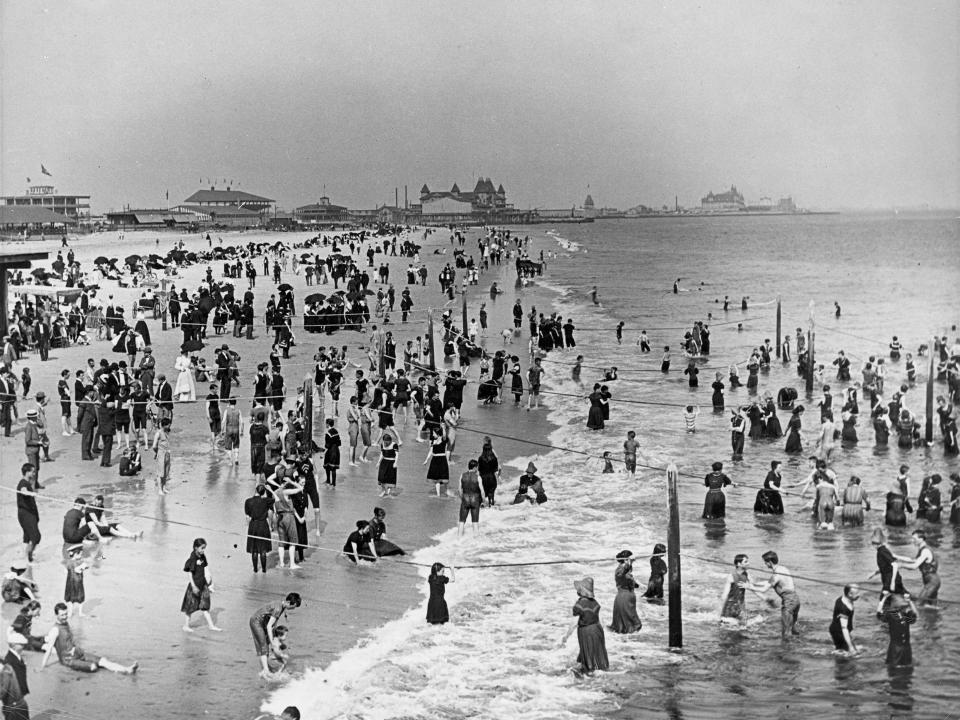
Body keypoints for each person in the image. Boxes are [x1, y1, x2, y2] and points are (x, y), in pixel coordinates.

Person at [41, 603, 137, 674]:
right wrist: (43, 667)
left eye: (66, 614)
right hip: (68, 660)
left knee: (103, 661)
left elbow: (69, 641)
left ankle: (127, 669)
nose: (65, 617)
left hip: (78, 652)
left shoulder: (66, 623)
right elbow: (49, 649)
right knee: (93, 667)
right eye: (62, 615)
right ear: (56, 615)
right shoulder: (55, 630)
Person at [748, 551, 801, 640]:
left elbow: (764, 589)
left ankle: (786, 651)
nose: (765, 564)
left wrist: (749, 587)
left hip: (788, 602)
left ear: (770, 562)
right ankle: (796, 647)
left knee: (786, 632)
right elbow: (769, 583)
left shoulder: (776, 575)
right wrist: (754, 583)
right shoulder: (783, 569)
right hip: (795, 600)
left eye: (765, 562)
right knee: (793, 629)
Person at [250, 593, 302, 679]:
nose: (292, 609)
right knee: (263, 645)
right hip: (256, 622)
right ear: (288, 602)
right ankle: (265, 671)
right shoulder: (278, 608)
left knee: (266, 645)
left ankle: (267, 667)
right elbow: (269, 626)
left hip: (263, 622)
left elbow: (273, 623)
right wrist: (272, 641)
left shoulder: (281, 605)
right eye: (293, 607)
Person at [563, 577, 609, 673]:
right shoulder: (595, 603)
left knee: (588, 663)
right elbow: (601, 620)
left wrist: (566, 636)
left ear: (580, 591)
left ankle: (588, 674)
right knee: (597, 657)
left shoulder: (579, 605)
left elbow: (574, 623)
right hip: (597, 629)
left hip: (586, 632)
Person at [180, 538, 221, 633]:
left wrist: (210, 579)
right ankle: (186, 625)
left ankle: (211, 625)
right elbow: (190, 573)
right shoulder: (193, 558)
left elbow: (206, 568)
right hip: (195, 586)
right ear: (196, 548)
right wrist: (193, 586)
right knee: (190, 607)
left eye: (204, 548)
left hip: (203, 585)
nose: (203, 550)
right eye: (202, 548)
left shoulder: (203, 557)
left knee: (205, 606)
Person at [895, 529, 940, 606]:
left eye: (914, 539)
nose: (913, 541)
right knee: (932, 606)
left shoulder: (925, 551)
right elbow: (913, 560)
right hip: (931, 581)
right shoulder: (922, 549)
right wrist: (895, 556)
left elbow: (914, 566)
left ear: (921, 539)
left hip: (932, 582)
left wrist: (901, 565)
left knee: (918, 605)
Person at [1, 629, 31, 720]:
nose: (23, 647)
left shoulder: (17, 657)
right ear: (13, 645)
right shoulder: (9, 661)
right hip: (14, 702)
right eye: (21, 645)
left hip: (19, 697)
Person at [610, 550, 642, 633]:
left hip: (628, 597)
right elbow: (623, 573)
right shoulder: (620, 570)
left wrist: (635, 584)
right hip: (624, 598)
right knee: (631, 624)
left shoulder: (625, 569)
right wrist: (629, 562)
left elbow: (628, 575)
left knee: (628, 624)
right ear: (625, 560)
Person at [245, 484, 274, 573]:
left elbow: (247, 517)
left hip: (253, 525)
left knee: (254, 549)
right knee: (263, 549)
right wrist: (270, 490)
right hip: (263, 525)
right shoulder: (266, 501)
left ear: (256, 490)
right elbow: (275, 500)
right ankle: (264, 569)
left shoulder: (248, 501)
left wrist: (248, 526)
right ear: (264, 492)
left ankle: (255, 569)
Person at [882, 594, 917, 666]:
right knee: (894, 667)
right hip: (895, 648)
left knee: (908, 667)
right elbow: (879, 614)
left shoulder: (905, 615)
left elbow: (915, 616)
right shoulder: (891, 614)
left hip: (906, 648)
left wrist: (910, 602)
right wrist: (883, 600)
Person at [717, 554, 752, 625]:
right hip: (730, 606)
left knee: (744, 627)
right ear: (739, 564)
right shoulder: (731, 576)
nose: (748, 563)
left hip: (741, 606)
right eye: (746, 562)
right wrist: (721, 613)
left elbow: (754, 587)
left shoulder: (747, 574)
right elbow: (724, 595)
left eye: (748, 561)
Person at [16, 463, 40, 563]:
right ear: (27, 472)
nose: (34, 473)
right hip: (26, 514)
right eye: (33, 471)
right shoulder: (23, 483)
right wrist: (31, 493)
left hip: (28, 513)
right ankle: (28, 554)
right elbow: (23, 491)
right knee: (36, 536)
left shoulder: (27, 482)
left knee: (27, 535)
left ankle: (24, 555)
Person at [828, 585, 861, 655]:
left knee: (853, 651)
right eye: (857, 593)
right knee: (848, 654)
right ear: (849, 594)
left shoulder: (846, 598)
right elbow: (844, 628)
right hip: (839, 632)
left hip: (840, 629)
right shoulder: (844, 609)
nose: (859, 595)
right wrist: (850, 647)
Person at [457, 459, 484, 537]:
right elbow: (482, 491)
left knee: (462, 521)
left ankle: (459, 538)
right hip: (475, 499)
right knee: (475, 522)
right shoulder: (478, 477)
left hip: (465, 498)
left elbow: (459, 489)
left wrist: (462, 498)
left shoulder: (462, 475)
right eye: (477, 467)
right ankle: (476, 539)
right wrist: (483, 501)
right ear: (475, 467)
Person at [152, 417, 172, 494]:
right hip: (161, 454)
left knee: (166, 472)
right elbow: (154, 446)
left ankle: (164, 487)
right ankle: (160, 489)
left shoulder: (167, 432)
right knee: (160, 473)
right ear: (165, 425)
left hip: (167, 454)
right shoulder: (158, 433)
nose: (169, 426)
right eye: (168, 425)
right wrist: (157, 452)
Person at [477, 439, 500, 506]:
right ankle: (491, 504)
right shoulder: (494, 458)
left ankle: (482, 506)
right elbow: (496, 469)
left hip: (483, 477)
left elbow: (479, 469)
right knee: (491, 493)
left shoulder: (481, 458)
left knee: (482, 492)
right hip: (491, 477)